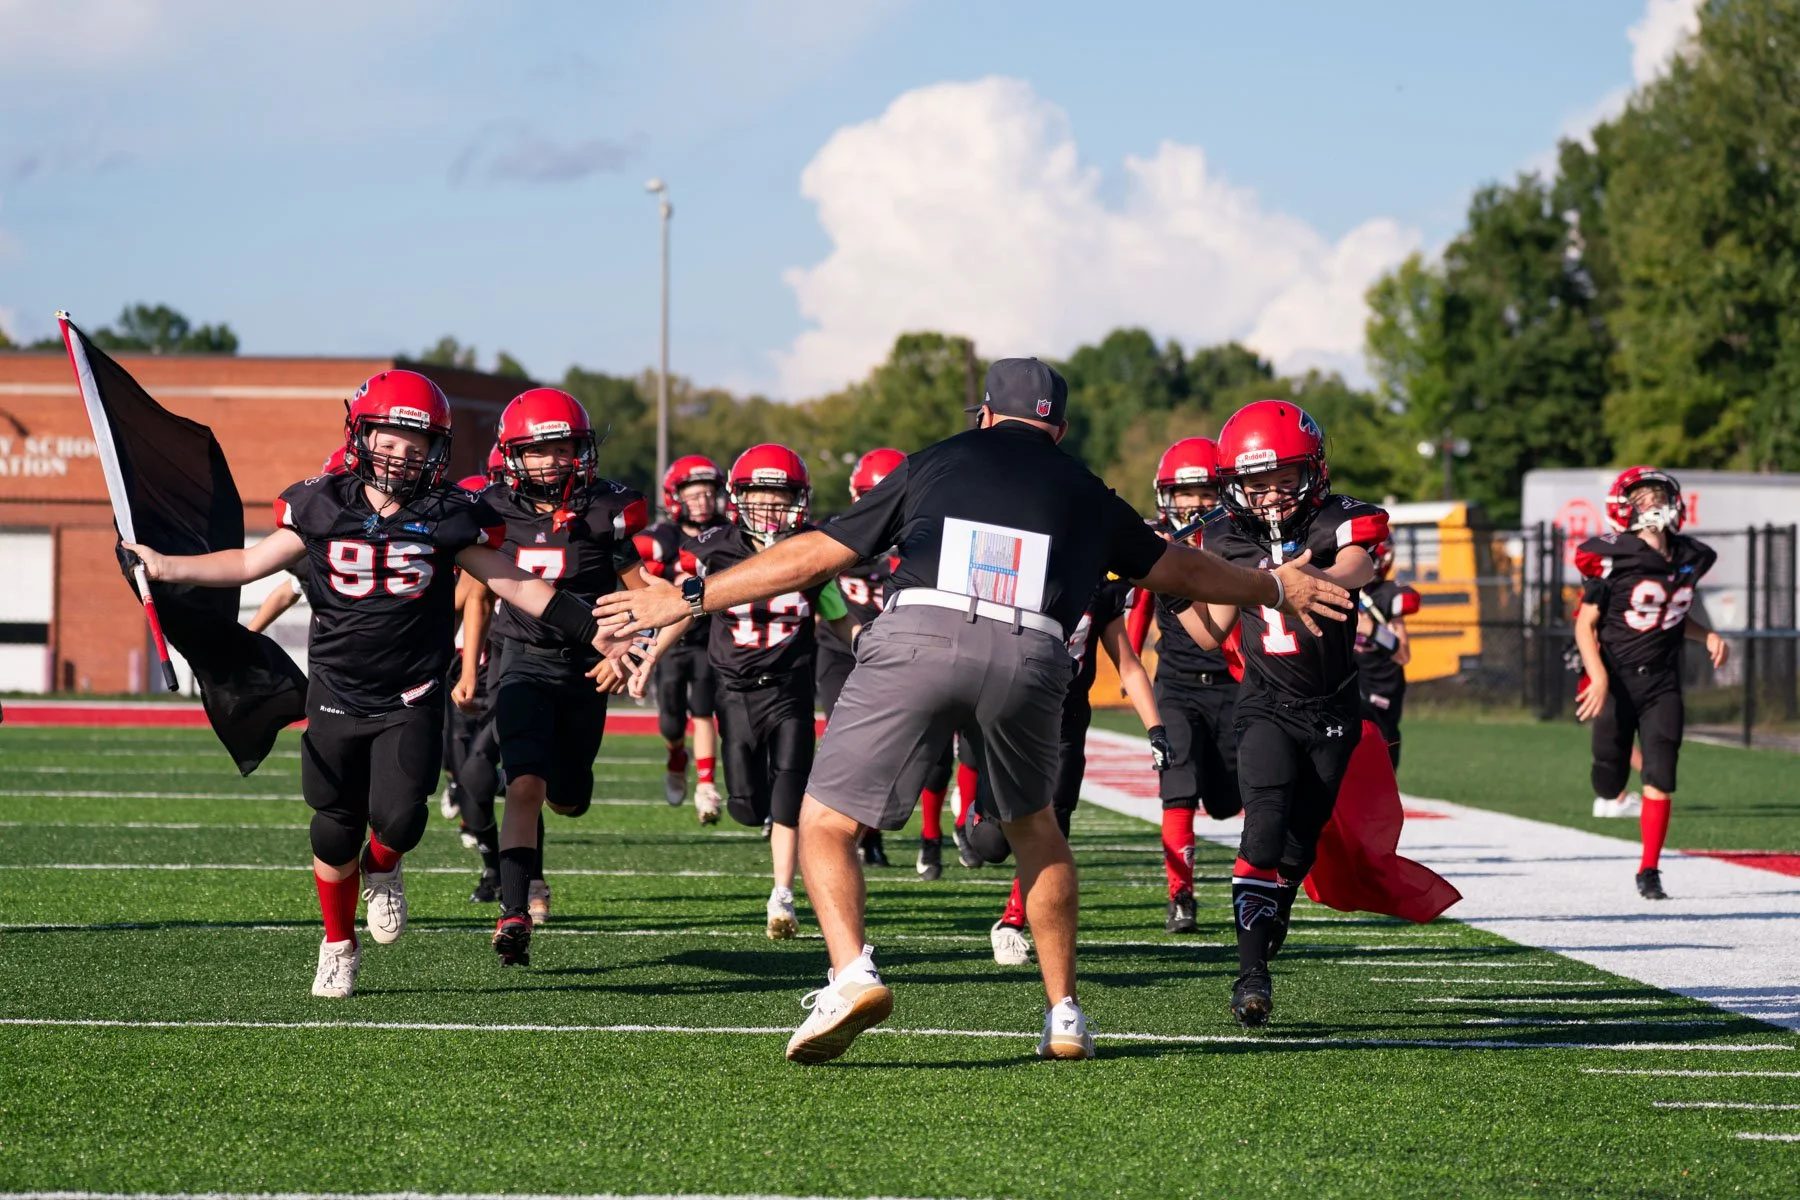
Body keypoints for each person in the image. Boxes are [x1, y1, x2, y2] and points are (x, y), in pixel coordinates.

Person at [593, 358, 1351, 1064]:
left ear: (986, 416)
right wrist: (1273, 587)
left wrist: (690, 595)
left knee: (825, 822)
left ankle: (852, 975)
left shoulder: (937, 460)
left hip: (922, 629)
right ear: (1057, 428)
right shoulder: (1086, 488)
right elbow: (1179, 568)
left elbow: (819, 553)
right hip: (1034, 654)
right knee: (1037, 830)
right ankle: (1064, 1013)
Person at [124, 370, 633, 998]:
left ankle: (383, 868)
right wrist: (163, 565)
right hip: (336, 689)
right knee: (331, 827)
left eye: (416, 445)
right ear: (360, 437)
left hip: (410, 693)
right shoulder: (320, 503)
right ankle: (338, 944)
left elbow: (516, 584)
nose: (400, 456)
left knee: (400, 821)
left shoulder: (449, 514)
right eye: (388, 441)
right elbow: (249, 563)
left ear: (437, 451)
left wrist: (593, 630)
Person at [1182, 399, 1388, 1029]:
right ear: (1234, 485)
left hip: (1332, 709)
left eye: (1283, 479)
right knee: (1264, 828)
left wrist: (1311, 580)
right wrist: (1173, 593)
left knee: (1299, 845)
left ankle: (1276, 906)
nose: (1271, 495)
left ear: (1313, 471)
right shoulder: (1224, 535)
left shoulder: (1338, 518)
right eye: (1257, 483)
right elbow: (1210, 633)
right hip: (1266, 704)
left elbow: (1359, 563)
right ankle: (1250, 977)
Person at [459, 388, 651, 966]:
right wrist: (464, 664)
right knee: (524, 784)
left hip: (588, 669)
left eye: (563, 448)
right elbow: (472, 591)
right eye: (538, 451)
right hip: (521, 659)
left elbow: (647, 597)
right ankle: (514, 910)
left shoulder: (606, 510)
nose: (552, 461)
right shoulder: (488, 509)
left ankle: (537, 858)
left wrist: (630, 647)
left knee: (567, 798)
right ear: (512, 455)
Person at [634, 444, 851, 939]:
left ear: (798, 500)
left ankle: (782, 896)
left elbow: (840, 621)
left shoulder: (811, 551)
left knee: (789, 796)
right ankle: (759, 819)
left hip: (791, 689)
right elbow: (683, 608)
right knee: (747, 807)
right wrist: (650, 655)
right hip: (734, 691)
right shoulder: (714, 550)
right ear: (739, 498)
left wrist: (880, 648)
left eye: (782, 496)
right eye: (761, 496)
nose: (771, 507)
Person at [983, 577, 1168, 966]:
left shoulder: (1099, 589)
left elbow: (1128, 665)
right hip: (1011, 712)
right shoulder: (1022, 577)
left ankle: (1012, 921)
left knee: (1055, 814)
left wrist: (1155, 729)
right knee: (991, 845)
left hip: (1067, 717)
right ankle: (974, 810)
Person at [1573, 466, 1726, 901]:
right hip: (1617, 680)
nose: (1654, 505)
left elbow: (1672, 613)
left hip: (1661, 680)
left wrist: (1707, 634)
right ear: (1624, 509)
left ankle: (1649, 869)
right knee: (1609, 777)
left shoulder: (1690, 556)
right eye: (1643, 498)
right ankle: (1611, 790)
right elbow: (1585, 625)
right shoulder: (1612, 557)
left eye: (1659, 496)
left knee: (1661, 771)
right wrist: (1598, 676)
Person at [1140, 436, 1241, 934]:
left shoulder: (1238, 541)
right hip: (1176, 684)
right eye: (1186, 493)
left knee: (1228, 800)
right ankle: (1180, 896)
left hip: (1233, 685)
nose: (1197, 502)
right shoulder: (1155, 543)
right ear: (1167, 496)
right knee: (1177, 787)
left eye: (1206, 491)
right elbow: (1135, 604)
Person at [816, 448, 906, 870]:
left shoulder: (922, 539)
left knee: (888, 746)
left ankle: (871, 833)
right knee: (843, 738)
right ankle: (844, 829)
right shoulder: (837, 533)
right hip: (841, 650)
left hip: (896, 654)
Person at [635, 455, 729, 822]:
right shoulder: (663, 538)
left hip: (709, 637)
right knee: (671, 721)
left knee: (704, 710)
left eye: (708, 493)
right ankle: (677, 755)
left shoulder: (727, 533)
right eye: (694, 494)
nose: (703, 501)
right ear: (676, 498)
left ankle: (706, 786)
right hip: (671, 641)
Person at [1356, 542, 1421, 768]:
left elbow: (1402, 654)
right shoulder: (1341, 589)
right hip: (1351, 679)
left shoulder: (1387, 595)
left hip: (1381, 685)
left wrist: (1372, 630)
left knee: (1383, 746)